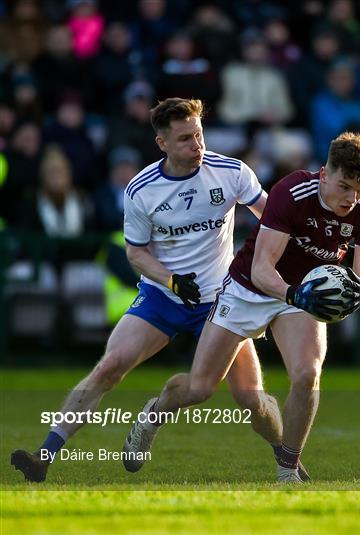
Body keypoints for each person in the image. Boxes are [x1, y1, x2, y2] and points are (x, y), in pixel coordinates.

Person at [11, 97, 292, 483]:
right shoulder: (142, 190)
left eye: (199, 135)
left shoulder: (230, 172)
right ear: (161, 143)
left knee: (251, 400)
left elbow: (272, 218)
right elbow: (136, 254)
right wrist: (173, 281)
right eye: (184, 140)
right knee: (109, 367)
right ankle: (43, 456)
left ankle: (286, 461)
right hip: (164, 296)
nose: (197, 146)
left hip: (222, 302)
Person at [124, 131, 360, 483]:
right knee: (200, 389)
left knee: (305, 375)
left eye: (359, 189)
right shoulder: (291, 193)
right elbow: (263, 269)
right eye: (344, 186)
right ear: (325, 174)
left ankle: (288, 471)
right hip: (249, 290)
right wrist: (296, 295)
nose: (351, 198)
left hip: (301, 294)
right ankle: (153, 414)